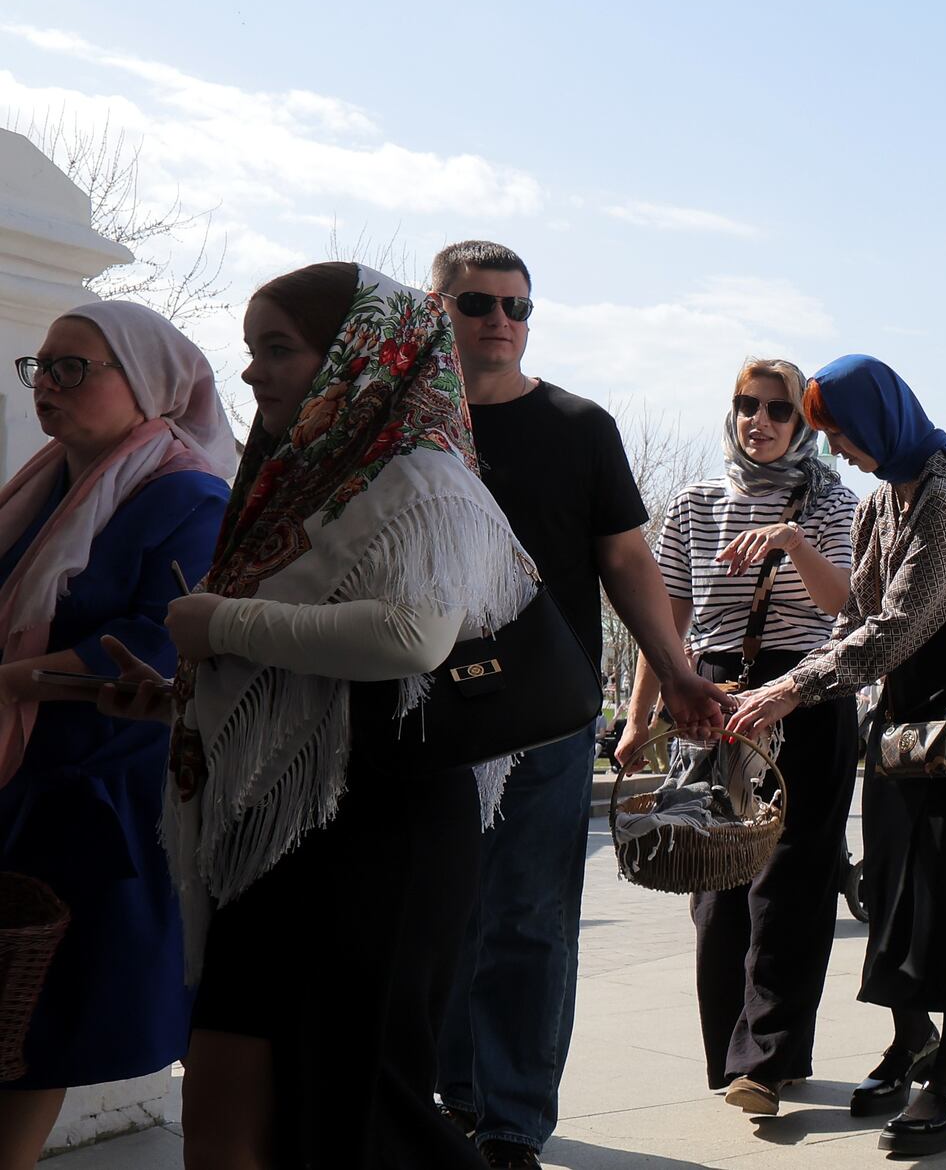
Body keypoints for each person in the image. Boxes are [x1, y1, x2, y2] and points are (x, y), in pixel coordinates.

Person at [97, 265, 532, 1166]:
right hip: (278, 827)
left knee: (361, 1114)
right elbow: (292, 658)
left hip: (380, 826)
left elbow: (414, 638)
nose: (251, 373)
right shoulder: (296, 482)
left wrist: (224, 624)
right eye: (253, 349)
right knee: (226, 1102)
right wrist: (181, 694)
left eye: (278, 348)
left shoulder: (424, 479)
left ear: (359, 354)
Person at [429, 240, 727, 1170]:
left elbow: (627, 559)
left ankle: (512, 1121)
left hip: (546, 719)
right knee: (436, 912)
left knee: (528, 917)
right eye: (479, 304)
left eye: (519, 307)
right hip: (420, 714)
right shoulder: (403, 428)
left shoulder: (578, 425)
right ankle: (452, 1092)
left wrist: (674, 672)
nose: (501, 323)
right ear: (437, 309)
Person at [727, 355, 946, 1154]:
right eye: (827, 435)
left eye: (842, 433)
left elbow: (896, 627)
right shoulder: (882, 502)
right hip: (905, 701)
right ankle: (911, 1042)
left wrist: (791, 689)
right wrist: (787, 685)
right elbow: (855, 616)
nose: (838, 451)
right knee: (891, 878)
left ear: (880, 423)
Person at [0, 304, 230, 1165]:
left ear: (144, 388)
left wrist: (16, 680)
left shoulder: (188, 495)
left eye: (73, 369)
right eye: (41, 368)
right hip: (24, 779)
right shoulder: (41, 485)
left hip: (98, 791)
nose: (48, 387)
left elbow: (163, 639)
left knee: (35, 1023)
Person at [623, 359, 859, 1118]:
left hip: (806, 694)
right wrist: (636, 720)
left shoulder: (832, 501)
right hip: (713, 698)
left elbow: (846, 607)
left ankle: (769, 1057)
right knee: (714, 881)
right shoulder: (694, 503)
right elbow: (667, 623)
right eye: (745, 405)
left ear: (802, 425)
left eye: (777, 410)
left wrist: (793, 542)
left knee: (791, 881)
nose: (758, 420)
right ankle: (731, 1054)